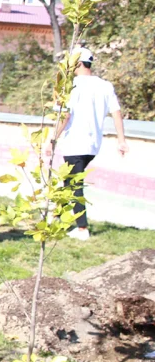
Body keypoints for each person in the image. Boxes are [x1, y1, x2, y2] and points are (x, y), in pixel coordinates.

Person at [46, 48, 129, 241]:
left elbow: (64, 115)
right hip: (93, 144)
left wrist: (52, 139)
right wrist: (121, 140)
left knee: (74, 184)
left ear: (78, 63)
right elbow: (116, 112)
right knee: (69, 179)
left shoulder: (71, 86)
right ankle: (54, 217)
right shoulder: (105, 86)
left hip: (75, 141)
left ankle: (82, 229)